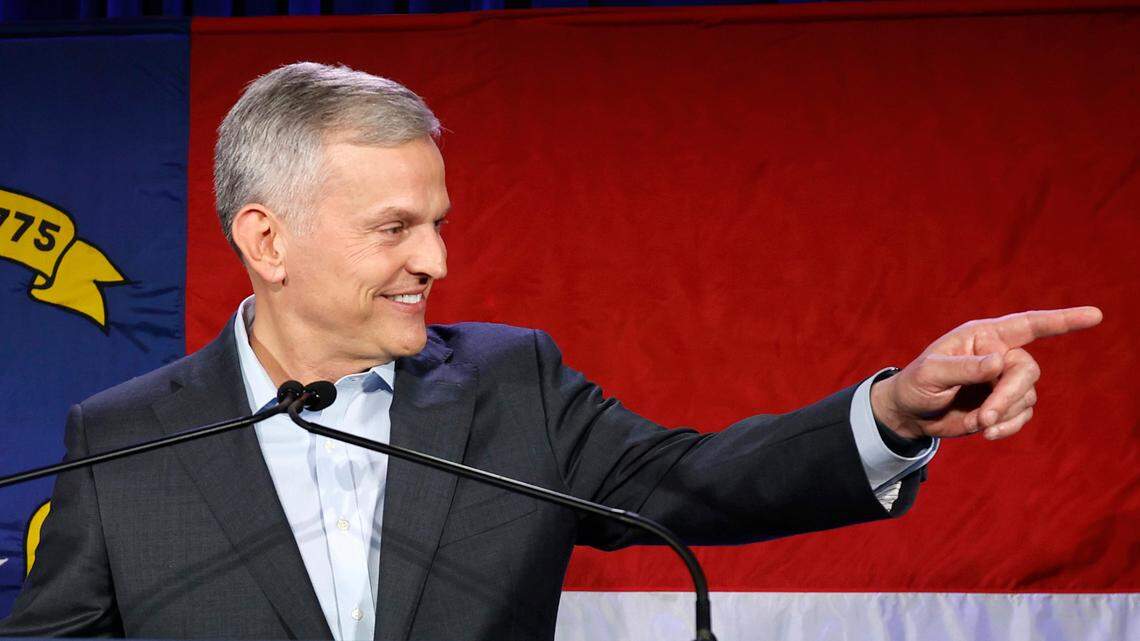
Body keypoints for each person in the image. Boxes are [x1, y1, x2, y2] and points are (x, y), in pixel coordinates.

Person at [0, 62, 1101, 641]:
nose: (435, 257)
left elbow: (696, 480)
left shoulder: (511, 383)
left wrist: (897, 409)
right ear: (266, 238)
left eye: (438, 219)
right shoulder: (124, 437)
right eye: (394, 227)